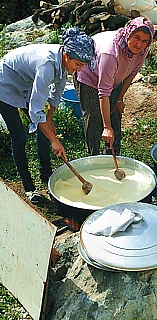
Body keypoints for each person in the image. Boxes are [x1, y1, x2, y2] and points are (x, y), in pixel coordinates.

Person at [0, 27, 95, 204]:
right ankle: (29, 188)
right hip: (5, 83)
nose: (80, 69)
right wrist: (54, 140)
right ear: (67, 55)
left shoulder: (64, 62)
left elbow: (56, 95)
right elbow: (35, 112)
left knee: (45, 128)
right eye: (78, 65)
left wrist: (49, 121)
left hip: (25, 82)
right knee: (19, 136)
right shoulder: (47, 65)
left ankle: (46, 174)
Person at [74, 17, 154, 156]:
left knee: (115, 113)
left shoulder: (142, 50)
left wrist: (119, 99)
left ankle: (112, 155)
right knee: (94, 118)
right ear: (129, 33)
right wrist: (106, 127)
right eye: (136, 37)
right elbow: (104, 92)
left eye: (144, 41)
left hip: (114, 78)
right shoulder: (110, 53)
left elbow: (130, 75)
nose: (139, 44)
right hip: (89, 76)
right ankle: (93, 158)